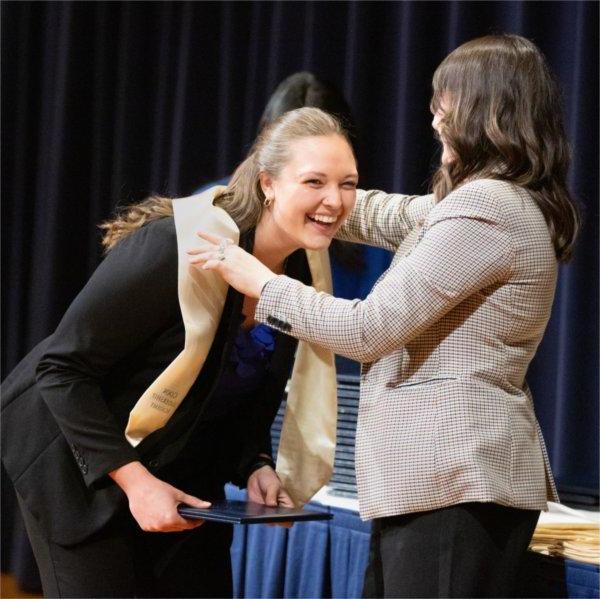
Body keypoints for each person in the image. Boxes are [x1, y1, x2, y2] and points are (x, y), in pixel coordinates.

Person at [191, 34, 581, 598]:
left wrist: (260, 282)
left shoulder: (489, 210)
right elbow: (376, 213)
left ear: (485, 109)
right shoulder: (482, 202)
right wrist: (302, 189)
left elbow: (367, 330)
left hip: (455, 482)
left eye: (443, 103)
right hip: (435, 486)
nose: (433, 118)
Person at [0, 107, 358, 598]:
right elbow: (60, 368)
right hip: (82, 465)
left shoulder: (292, 281)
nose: (334, 201)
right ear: (268, 184)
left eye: (348, 184)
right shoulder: (174, 246)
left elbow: (242, 399)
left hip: (187, 475)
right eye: (315, 181)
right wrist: (137, 484)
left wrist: (255, 464)